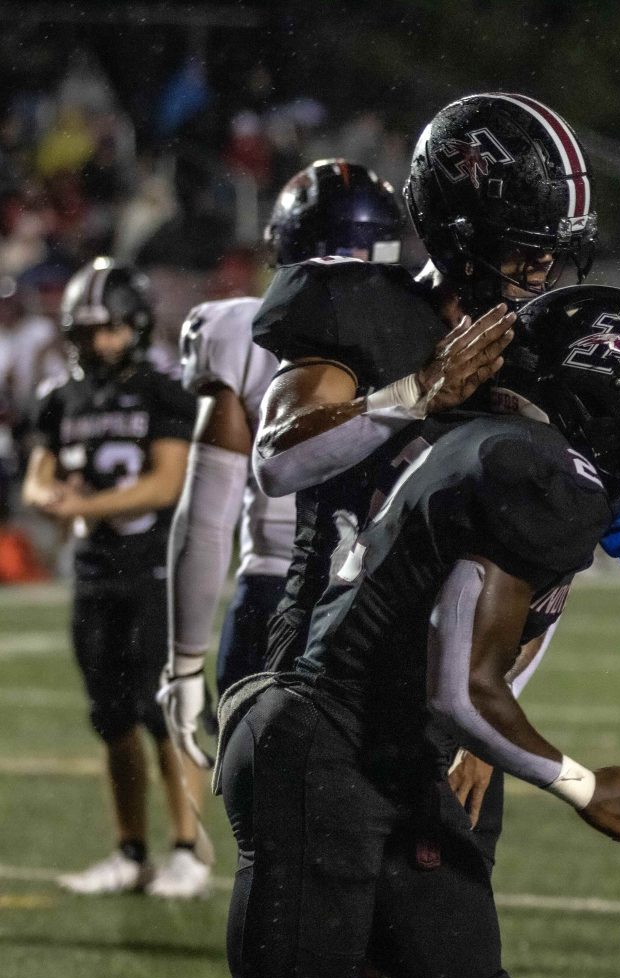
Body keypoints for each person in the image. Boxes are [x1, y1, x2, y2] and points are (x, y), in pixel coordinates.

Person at [0, 283, 620, 978]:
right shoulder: (531, 470)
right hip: (325, 749)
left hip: (388, 753)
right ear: (596, 401)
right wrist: (581, 784)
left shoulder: (494, 448)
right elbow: (463, 689)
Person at [244, 94, 597, 978]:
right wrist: (415, 396)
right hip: (333, 694)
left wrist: (496, 708)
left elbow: (547, 558)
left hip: (444, 713)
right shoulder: (357, 311)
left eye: (552, 250)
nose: (543, 269)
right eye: (527, 246)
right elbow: (279, 462)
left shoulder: (547, 350)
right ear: (462, 224)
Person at [154, 158, 406, 905]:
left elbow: (206, 514)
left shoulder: (238, 329)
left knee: (276, 860)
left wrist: (182, 661)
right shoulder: (423, 330)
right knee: (374, 856)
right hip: (383, 610)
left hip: (272, 604)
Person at [20, 257, 203, 897]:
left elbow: (165, 481)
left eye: (109, 330)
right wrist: (50, 496)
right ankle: (130, 851)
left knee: (164, 717)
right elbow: (37, 476)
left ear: (136, 324)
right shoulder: (59, 398)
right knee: (111, 720)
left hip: (153, 570)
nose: (98, 344)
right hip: (94, 574)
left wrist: (82, 505)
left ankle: (190, 850)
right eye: (86, 332)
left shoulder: (164, 392)